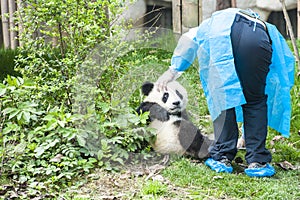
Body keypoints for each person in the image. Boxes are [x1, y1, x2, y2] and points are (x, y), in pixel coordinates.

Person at [156, 8, 295, 177]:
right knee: (255, 99)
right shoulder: (260, 22)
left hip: (222, 40)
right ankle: (257, 161)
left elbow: (189, 40)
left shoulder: (209, 25)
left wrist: (172, 71)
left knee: (223, 96)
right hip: (258, 38)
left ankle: (222, 156)